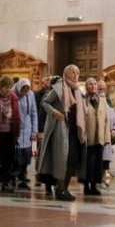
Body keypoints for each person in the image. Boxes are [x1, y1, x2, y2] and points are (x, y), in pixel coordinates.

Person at [37, 64, 87, 202]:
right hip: (61, 128)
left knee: (72, 160)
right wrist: (54, 112)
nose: (75, 75)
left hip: (75, 130)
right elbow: (45, 102)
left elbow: (82, 109)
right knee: (61, 160)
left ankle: (64, 188)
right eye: (72, 72)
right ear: (66, 73)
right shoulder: (59, 88)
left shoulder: (78, 90)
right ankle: (61, 189)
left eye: (77, 73)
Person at [82, 77, 110, 196]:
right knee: (88, 163)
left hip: (99, 137)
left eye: (94, 84)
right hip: (87, 137)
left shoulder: (102, 100)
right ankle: (86, 186)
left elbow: (106, 120)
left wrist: (107, 137)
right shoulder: (83, 100)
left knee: (98, 163)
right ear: (86, 86)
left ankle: (94, 186)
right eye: (90, 84)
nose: (93, 86)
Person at [12, 78, 38, 190]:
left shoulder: (30, 95)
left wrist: (34, 131)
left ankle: (23, 178)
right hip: (16, 129)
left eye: (27, 89)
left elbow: (33, 113)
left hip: (27, 129)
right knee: (15, 157)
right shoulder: (12, 94)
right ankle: (13, 179)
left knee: (26, 157)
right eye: (23, 88)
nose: (25, 91)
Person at [33, 75, 52, 192]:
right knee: (40, 154)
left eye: (51, 79)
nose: (49, 81)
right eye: (47, 79)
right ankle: (38, 175)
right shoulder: (37, 94)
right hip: (42, 128)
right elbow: (37, 113)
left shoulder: (56, 93)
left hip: (52, 129)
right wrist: (39, 130)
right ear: (43, 82)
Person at [98, 79, 115, 187]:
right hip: (96, 138)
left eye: (103, 89)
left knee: (105, 161)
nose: (101, 91)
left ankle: (103, 179)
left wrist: (114, 130)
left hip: (107, 138)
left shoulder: (109, 107)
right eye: (99, 89)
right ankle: (95, 181)